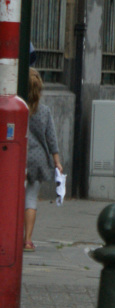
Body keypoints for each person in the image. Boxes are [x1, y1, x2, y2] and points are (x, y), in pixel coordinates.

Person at [24, 69, 62, 252]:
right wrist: (57, 161)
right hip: (38, 159)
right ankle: (28, 240)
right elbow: (51, 138)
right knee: (30, 199)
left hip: (19, 158)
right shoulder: (44, 111)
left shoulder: (17, 107)